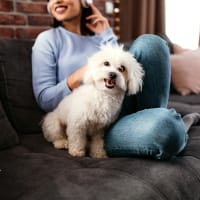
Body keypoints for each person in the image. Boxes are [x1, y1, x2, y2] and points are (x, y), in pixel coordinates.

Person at [32, 0, 188, 159]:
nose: (57, 0)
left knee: (151, 43)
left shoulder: (102, 38)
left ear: (85, 2)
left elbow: (121, 65)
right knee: (168, 128)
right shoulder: (48, 39)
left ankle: (153, 116)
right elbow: (45, 99)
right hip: (91, 118)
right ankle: (161, 122)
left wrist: (106, 34)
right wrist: (85, 71)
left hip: (118, 106)